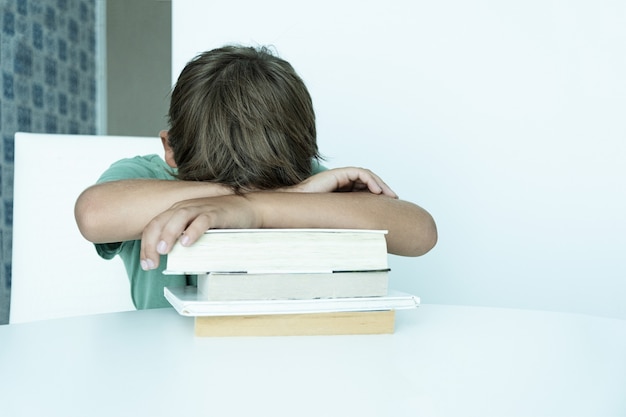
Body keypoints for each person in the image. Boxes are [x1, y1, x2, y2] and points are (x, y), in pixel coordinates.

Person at [75, 45, 437, 309]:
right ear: (170, 150)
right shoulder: (148, 178)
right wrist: (251, 199)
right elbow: (93, 214)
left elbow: (420, 233)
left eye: (269, 190)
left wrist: (255, 209)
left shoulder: (301, 179)